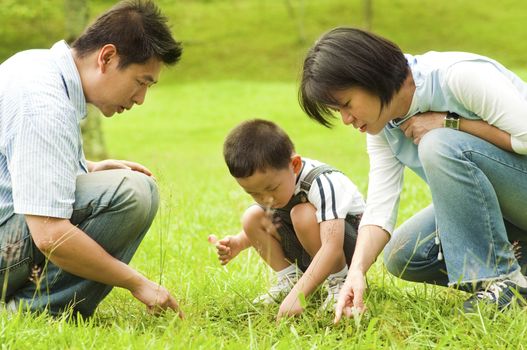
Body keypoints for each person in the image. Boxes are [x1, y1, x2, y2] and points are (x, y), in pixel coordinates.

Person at [298, 27, 527, 321]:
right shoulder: (384, 126)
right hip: (509, 210)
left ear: (371, 76)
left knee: (438, 143)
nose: (346, 119)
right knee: (404, 254)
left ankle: (503, 285)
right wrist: (356, 272)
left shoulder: (457, 76)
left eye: (346, 104)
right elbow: (380, 208)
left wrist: (451, 123)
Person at [0, 0, 183, 317]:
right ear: (107, 57)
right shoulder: (44, 105)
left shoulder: (37, 67)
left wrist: (93, 169)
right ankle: (31, 313)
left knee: (127, 186)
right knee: (132, 194)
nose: (140, 99)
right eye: (142, 82)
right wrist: (138, 283)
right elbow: (48, 233)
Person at [208, 119, 365, 319]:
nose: (265, 199)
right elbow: (269, 221)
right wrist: (240, 242)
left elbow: (331, 247)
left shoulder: (322, 182)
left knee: (302, 214)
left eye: (271, 189)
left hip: (348, 247)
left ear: (295, 165)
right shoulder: (276, 188)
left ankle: (340, 282)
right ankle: (291, 279)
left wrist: (298, 297)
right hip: (315, 245)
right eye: (254, 193)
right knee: (252, 216)